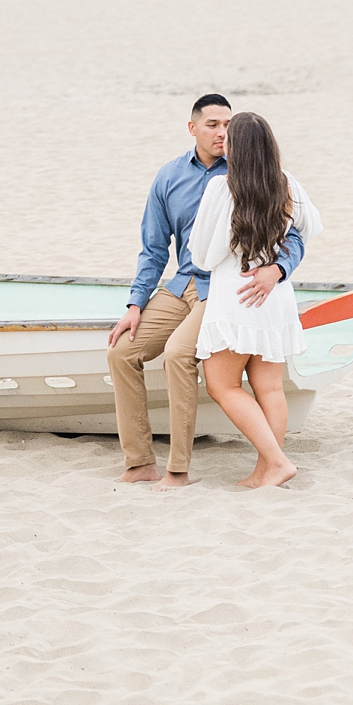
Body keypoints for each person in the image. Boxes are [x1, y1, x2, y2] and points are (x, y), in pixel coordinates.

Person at [106, 94, 307, 487]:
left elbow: (293, 234)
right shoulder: (169, 176)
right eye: (213, 124)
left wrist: (278, 269)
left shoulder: (250, 170)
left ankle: (177, 469)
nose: (222, 132)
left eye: (228, 125)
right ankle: (140, 462)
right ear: (192, 127)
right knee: (121, 352)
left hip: (220, 290)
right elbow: (153, 247)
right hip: (181, 284)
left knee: (179, 355)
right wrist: (136, 301)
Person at [189, 110, 322, 489]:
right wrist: (278, 263)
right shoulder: (285, 184)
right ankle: (265, 470)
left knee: (222, 386)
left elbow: (202, 255)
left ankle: (277, 463)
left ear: (239, 147)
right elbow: (310, 227)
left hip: (237, 297)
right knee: (270, 388)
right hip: (276, 299)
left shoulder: (221, 187)